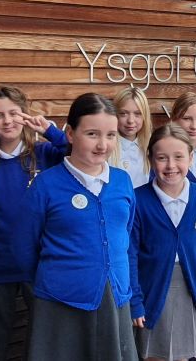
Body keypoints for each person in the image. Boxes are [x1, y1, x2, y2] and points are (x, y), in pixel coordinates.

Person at [16, 93, 137, 361]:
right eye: (92, 134)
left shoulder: (122, 182)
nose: (102, 145)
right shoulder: (46, 185)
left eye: (110, 135)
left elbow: (125, 239)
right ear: (70, 134)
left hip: (115, 298)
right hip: (60, 303)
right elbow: (25, 249)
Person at [0, 85, 68, 360]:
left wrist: (49, 129)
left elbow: (76, 150)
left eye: (14, 113)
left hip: (39, 265)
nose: (7, 121)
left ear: (25, 115)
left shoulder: (46, 154)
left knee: (44, 339)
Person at [130, 124, 196, 361]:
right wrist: (135, 300)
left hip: (191, 285)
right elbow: (129, 255)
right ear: (150, 159)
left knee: (184, 352)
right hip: (152, 288)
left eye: (179, 157)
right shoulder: (138, 200)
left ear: (191, 158)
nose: (171, 166)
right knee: (155, 354)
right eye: (162, 158)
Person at [110, 87, 153, 188]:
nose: (130, 120)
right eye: (123, 113)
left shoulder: (152, 147)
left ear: (144, 117)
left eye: (137, 114)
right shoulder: (107, 147)